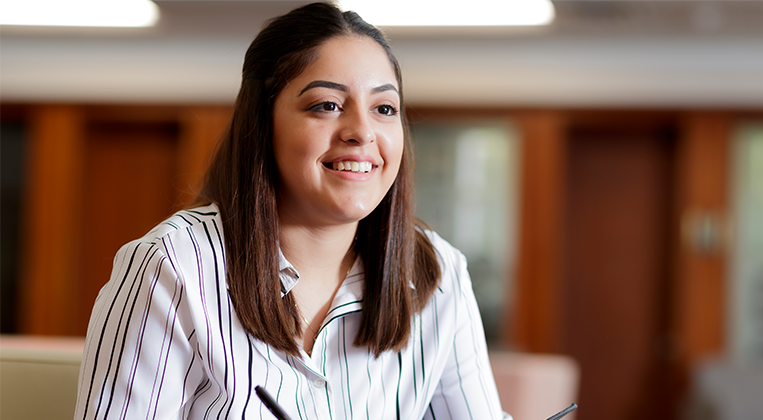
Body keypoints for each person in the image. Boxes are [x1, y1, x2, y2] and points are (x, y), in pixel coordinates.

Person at [74, 3, 510, 419]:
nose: (362, 131)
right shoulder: (173, 266)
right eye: (327, 105)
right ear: (264, 125)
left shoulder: (438, 273)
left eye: (384, 108)